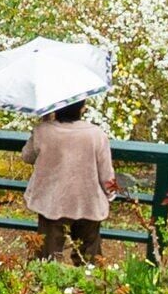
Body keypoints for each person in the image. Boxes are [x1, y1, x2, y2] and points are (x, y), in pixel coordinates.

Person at [23, 99, 120, 265]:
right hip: (88, 202)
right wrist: (110, 194)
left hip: (51, 203)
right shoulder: (96, 135)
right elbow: (106, 174)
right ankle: (89, 279)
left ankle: (46, 280)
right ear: (82, 108)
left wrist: (43, 125)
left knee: (47, 258)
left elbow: (27, 156)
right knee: (89, 258)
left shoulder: (43, 131)